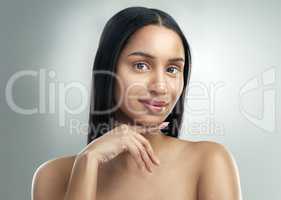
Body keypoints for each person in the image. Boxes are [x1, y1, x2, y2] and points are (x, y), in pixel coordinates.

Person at [31, 6, 242, 200]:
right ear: (108, 69)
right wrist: (88, 161)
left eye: (172, 69)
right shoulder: (52, 177)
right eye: (141, 65)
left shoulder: (209, 161)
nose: (160, 87)